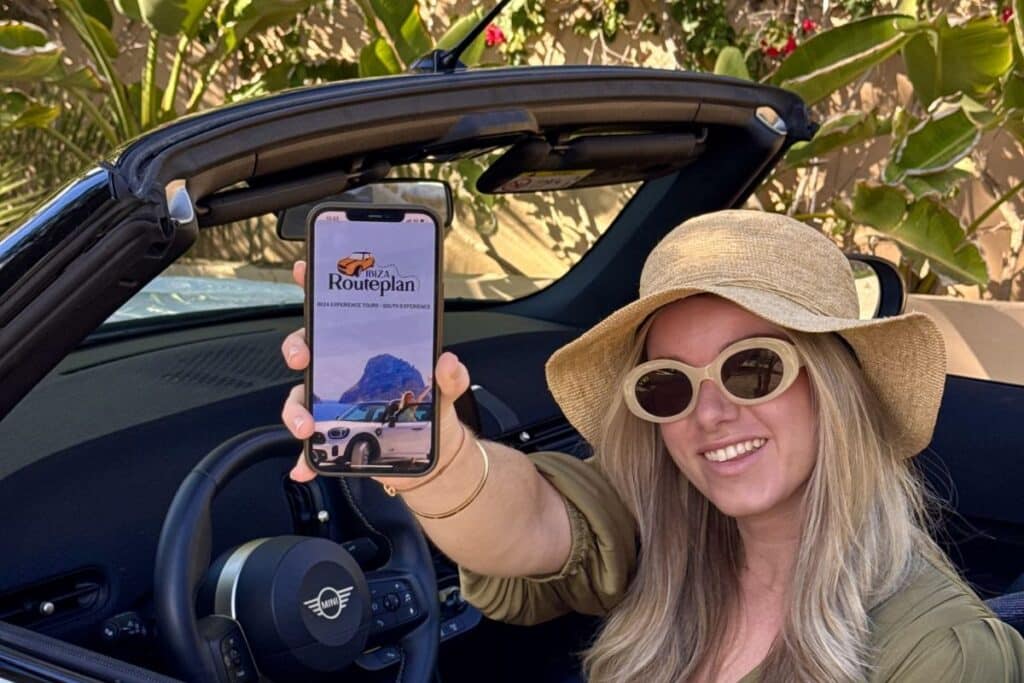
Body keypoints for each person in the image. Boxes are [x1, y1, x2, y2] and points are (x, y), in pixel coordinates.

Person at [280, 210, 1024, 681]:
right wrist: (439, 461)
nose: (710, 413)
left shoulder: (942, 654)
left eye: (752, 368)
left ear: (839, 384)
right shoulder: (666, 525)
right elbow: (534, 520)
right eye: (667, 386)